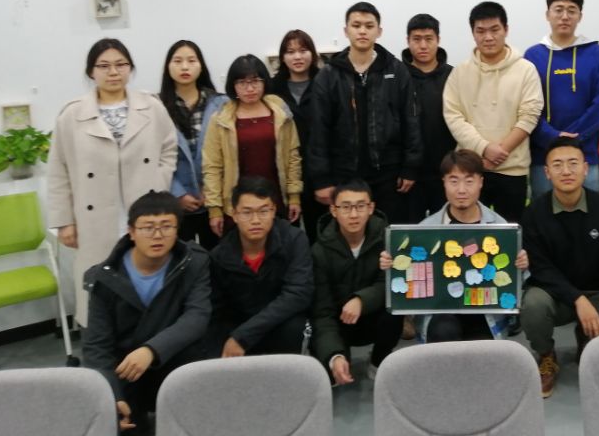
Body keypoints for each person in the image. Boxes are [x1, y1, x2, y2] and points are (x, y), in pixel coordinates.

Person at [47, 38, 177, 327]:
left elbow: (169, 149)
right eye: (104, 66)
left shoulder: (151, 107)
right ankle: (102, 341)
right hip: (95, 214)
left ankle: (152, 338)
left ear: (130, 68)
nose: (113, 72)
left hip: (143, 205)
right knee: (101, 281)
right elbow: (58, 170)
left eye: (121, 64)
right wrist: (64, 221)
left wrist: (158, 183)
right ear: (91, 72)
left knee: (147, 276)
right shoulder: (72, 114)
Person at [83, 192, 210, 435]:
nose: (157, 235)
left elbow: (197, 318)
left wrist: (151, 350)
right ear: (131, 232)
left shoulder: (194, 262)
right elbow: (97, 346)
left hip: (173, 358)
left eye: (166, 226)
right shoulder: (104, 277)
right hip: (127, 367)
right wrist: (112, 395)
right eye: (147, 227)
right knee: (121, 423)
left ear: (177, 230)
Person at [520, 137, 599, 398]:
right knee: (533, 305)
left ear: (585, 168)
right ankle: (546, 356)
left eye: (573, 163)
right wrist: (577, 299)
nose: (566, 171)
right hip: (555, 296)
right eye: (557, 165)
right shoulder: (534, 213)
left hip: (598, 294)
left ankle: (588, 337)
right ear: (547, 172)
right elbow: (541, 269)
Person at [379, 150, 529, 342]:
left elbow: (513, 283)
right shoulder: (426, 230)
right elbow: (407, 281)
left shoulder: (501, 229)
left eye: (469, 181)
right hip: (441, 314)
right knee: (444, 331)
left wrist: (521, 267)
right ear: (444, 182)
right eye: (454, 181)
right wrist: (392, 266)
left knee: (482, 350)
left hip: (485, 315)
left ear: (481, 182)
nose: (461, 190)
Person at [308, 2, 422, 225]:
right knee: (349, 232)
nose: (362, 31)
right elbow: (318, 130)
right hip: (343, 173)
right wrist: (321, 179)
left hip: (389, 174)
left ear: (379, 31)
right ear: (346, 30)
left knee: (388, 233)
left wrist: (410, 167)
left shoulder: (396, 70)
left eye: (369, 26)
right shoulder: (329, 75)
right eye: (356, 25)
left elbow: (411, 120)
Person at [443, 1, 543, 222]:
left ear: (506, 30)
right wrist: (484, 149)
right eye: (480, 31)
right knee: (467, 237)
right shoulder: (460, 73)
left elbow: (530, 115)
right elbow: (453, 116)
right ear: (473, 33)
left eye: (494, 29)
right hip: (470, 171)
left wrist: (499, 152)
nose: (488, 37)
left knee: (508, 234)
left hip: (512, 171)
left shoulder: (526, 70)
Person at [208, 176, 314, 356]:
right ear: (234, 214)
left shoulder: (294, 239)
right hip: (239, 327)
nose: (256, 220)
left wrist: (244, 336)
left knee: (295, 327)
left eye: (264, 211)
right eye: (247, 212)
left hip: (278, 322)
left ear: (274, 211)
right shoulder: (219, 256)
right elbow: (217, 312)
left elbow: (298, 294)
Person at [312, 180, 403, 384]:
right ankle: (338, 356)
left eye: (360, 206)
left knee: (394, 311)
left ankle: (378, 361)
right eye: (346, 207)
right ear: (333, 210)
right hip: (339, 322)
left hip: (373, 316)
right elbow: (322, 312)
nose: (354, 215)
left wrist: (361, 300)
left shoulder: (388, 239)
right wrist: (334, 355)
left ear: (371, 208)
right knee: (331, 371)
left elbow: (389, 284)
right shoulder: (320, 251)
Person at [202, 54, 302, 237]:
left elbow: (292, 157)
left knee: (281, 247)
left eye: (255, 81)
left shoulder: (280, 113)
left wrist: (294, 196)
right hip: (237, 204)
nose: (249, 88)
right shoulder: (221, 119)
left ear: (264, 82)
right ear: (233, 85)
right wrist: (214, 208)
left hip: (276, 199)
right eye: (242, 82)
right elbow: (212, 166)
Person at [524, 0, 599, 195]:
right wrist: (552, 136)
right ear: (548, 15)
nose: (565, 16)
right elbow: (526, 106)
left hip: (585, 154)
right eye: (558, 10)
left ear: (580, 16)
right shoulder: (533, 56)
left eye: (571, 10)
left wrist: (573, 138)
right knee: (544, 212)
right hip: (543, 154)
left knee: (588, 211)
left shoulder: (595, 53)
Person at [160, 39, 228, 250]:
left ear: (201, 66)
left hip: (215, 200)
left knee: (218, 258)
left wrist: (213, 191)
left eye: (191, 60)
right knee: (180, 259)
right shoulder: (157, 107)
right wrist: (178, 194)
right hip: (176, 202)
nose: (185, 67)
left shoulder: (221, 103)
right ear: (168, 67)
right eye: (177, 61)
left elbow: (228, 153)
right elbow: (154, 156)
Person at [269, 29, 323, 243]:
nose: (297, 57)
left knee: (319, 235)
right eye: (290, 52)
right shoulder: (271, 89)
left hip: (319, 172)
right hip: (284, 173)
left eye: (303, 50)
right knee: (285, 238)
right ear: (282, 57)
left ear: (313, 54)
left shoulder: (325, 82)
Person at [402, 13, 456, 222]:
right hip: (408, 176)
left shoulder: (453, 76)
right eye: (416, 39)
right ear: (408, 41)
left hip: (446, 171)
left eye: (429, 39)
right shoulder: (398, 76)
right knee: (409, 232)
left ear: (438, 40)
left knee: (445, 232)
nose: (423, 45)